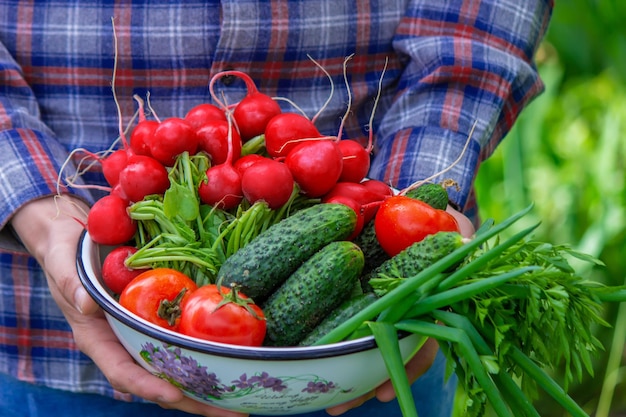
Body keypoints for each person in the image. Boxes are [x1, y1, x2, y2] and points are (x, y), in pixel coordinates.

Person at [0, 1, 552, 416]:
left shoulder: (330, 215)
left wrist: (415, 197)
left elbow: (485, 16)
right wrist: (40, 211)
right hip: (49, 341)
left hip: (370, 356)